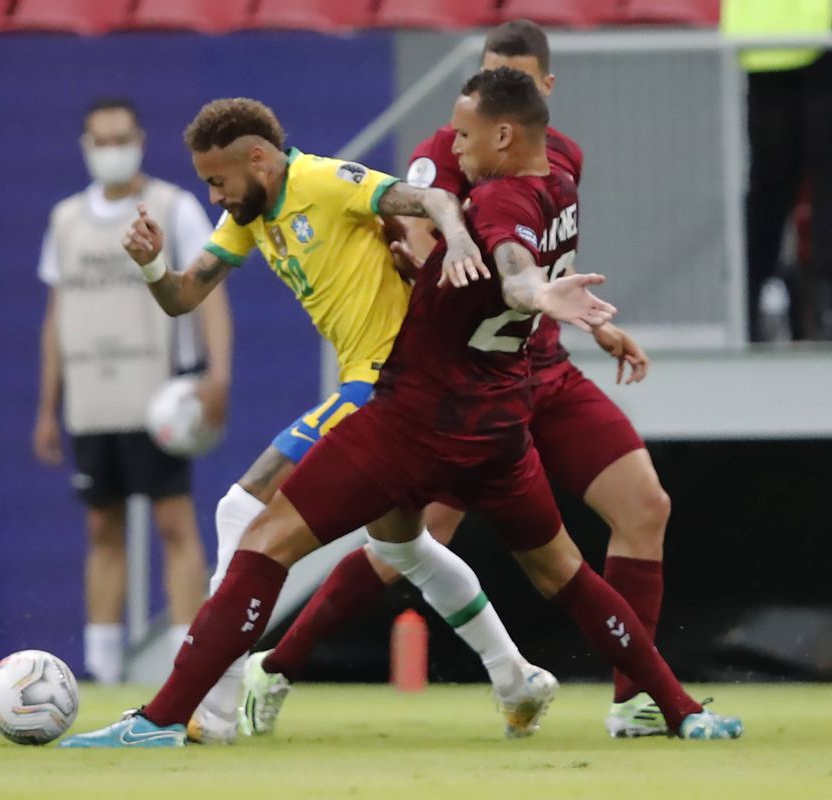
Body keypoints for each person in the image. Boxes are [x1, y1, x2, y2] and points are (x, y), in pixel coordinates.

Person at [58, 68, 743, 748]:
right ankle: (654, 704)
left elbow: (501, 257)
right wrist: (550, 302)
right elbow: (521, 273)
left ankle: (182, 715)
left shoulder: (434, 196)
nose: (453, 146)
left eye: (466, 135)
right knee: (504, 562)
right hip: (496, 421)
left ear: (504, 133)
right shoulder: (558, 184)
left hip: (406, 406)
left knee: (257, 528)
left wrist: (508, 272)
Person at [241, 19, 672, 740]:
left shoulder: (563, 159)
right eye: (485, 72)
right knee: (408, 542)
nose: (494, 100)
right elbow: (417, 236)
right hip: (461, 386)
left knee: (646, 505)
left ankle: (637, 702)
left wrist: (596, 321)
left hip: (542, 367)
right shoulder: (440, 155)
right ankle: (276, 667)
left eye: (517, 77)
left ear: (541, 91)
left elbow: (549, 265)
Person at [87, 96, 548, 743]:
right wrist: (152, 265)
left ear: (258, 159)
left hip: (387, 383)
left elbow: (436, 202)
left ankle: (211, 711)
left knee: (238, 509)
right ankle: (515, 677)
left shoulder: (326, 182)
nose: (216, 196)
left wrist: (463, 243)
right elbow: (183, 296)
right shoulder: (252, 215)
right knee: (402, 546)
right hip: (389, 388)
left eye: (218, 181)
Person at [32, 98, 230, 685]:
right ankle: (102, 666)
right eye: (102, 140)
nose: (113, 150)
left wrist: (216, 375)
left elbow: (210, 288)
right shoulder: (65, 220)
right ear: (86, 145)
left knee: (173, 521)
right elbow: (57, 313)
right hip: (92, 398)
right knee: (102, 526)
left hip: (160, 395)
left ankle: (184, 663)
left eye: (122, 138)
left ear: (140, 139)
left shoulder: (174, 206)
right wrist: (48, 407)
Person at [722, 0, 832, 341]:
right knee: (828, 190)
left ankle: (747, 311)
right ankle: (831, 315)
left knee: (774, 192)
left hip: (775, 42)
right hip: (824, 39)